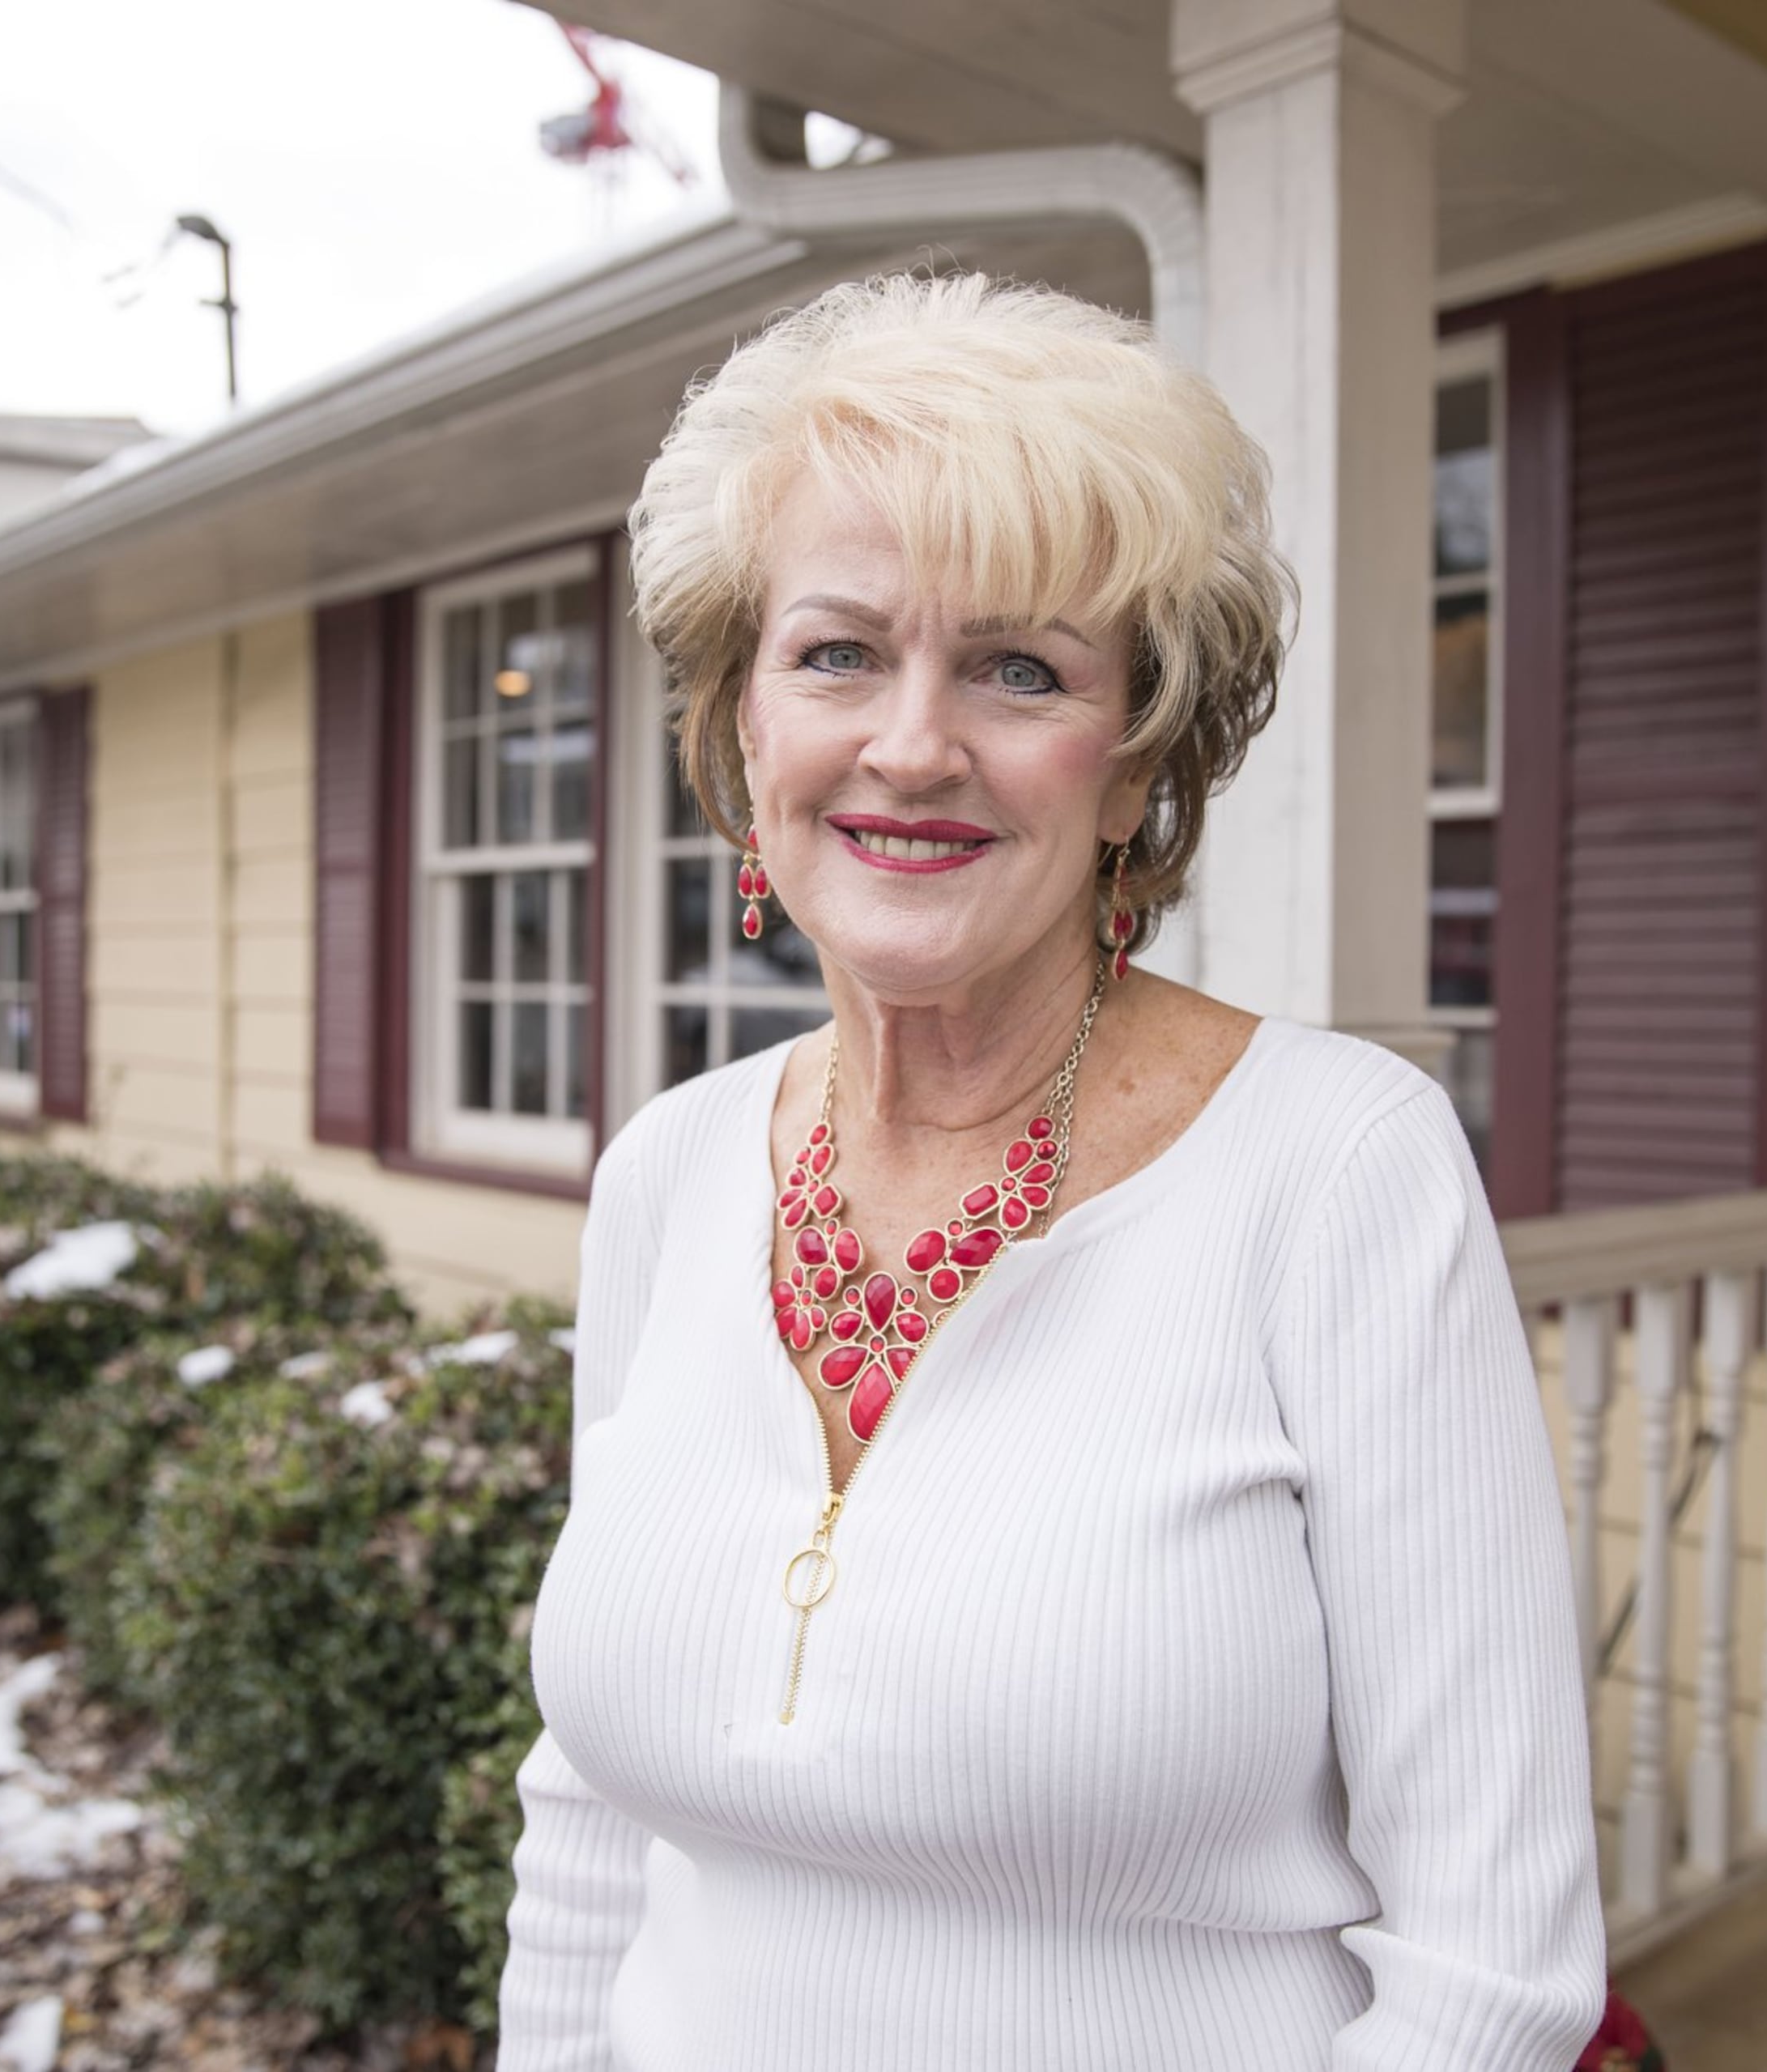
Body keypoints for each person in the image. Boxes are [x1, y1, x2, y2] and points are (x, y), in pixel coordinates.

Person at [500, 271, 1603, 2070]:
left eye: (1020, 667)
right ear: (741, 730)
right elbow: (596, 1812)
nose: (915, 743)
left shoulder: (1338, 1170)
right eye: (838, 649)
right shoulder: (667, 1173)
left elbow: (1490, 1966)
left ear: (1136, 764)